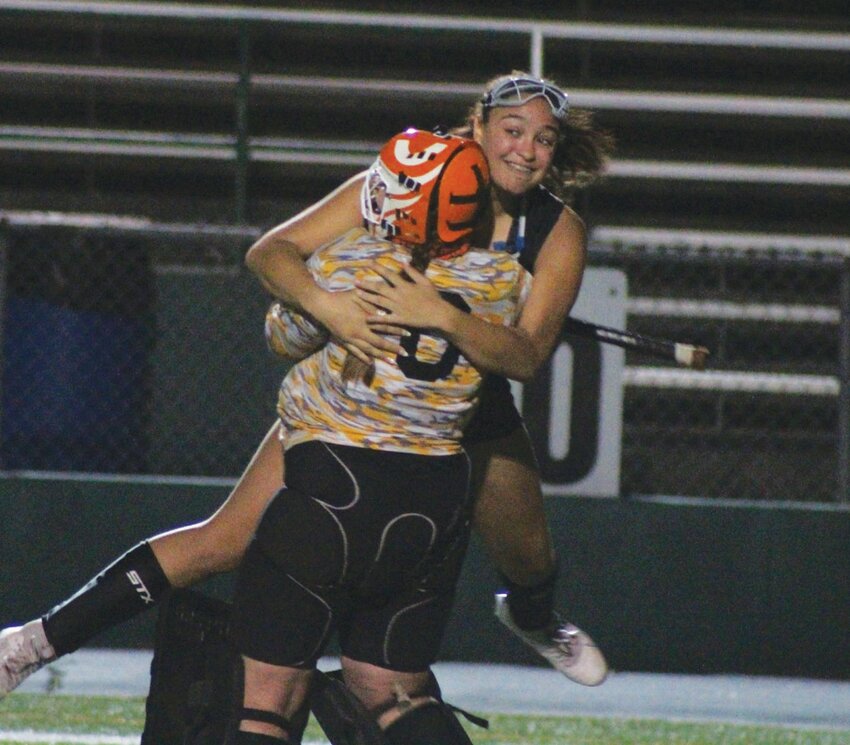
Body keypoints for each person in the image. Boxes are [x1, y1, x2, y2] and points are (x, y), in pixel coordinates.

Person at [0, 71, 614, 698]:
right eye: (512, 131)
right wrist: (329, 306)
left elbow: (527, 357)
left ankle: (534, 619)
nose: (526, 150)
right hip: (355, 397)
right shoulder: (406, 175)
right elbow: (272, 252)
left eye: (544, 139)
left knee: (530, 559)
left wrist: (445, 316)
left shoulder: (554, 230)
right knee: (221, 541)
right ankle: (28, 645)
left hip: (466, 412)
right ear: (478, 126)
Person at [228, 128, 527, 744]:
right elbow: (519, 356)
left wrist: (328, 307)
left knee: (268, 699)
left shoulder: (349, 261)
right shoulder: (503, 282)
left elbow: (281, 337)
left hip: (335, 491)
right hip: (434, 506)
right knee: (395, 695)